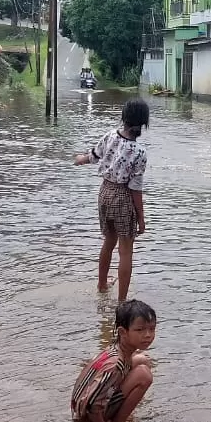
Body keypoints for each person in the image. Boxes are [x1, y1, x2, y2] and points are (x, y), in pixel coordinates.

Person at [76, 98, 149, 300]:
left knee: (108, 242)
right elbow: (135, 189)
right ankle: (122, 301)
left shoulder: (110, 136)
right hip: (123, 197)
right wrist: (141, 218)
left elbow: (93, 156)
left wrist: (80, 159)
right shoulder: (140, 152)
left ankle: (102, 285)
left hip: (105, 193)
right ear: (143, 123)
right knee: (125, 251)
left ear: (123, 117)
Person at [70, 298, 157, 422]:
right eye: (140, 330)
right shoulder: (115, 364)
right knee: (144, 375)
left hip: (84, 407)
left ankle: (124, 408)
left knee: (142, 360)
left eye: (152, 329)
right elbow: (92, 405)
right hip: (89, 419)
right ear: (123, 332)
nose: (148, 335)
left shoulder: (115, 350)